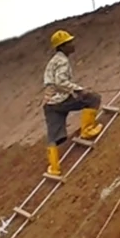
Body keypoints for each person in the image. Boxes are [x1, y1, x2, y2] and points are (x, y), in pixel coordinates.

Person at [42, 30, 103, 177]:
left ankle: (54, 168)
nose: (72, 44)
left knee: (53, 136)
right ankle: (87, 130)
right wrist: (79, 89)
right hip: (61, 99)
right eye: (69, 43)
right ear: (62, 46)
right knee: (93, 98)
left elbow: (52, 82)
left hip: (49, 103)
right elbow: (60, 81)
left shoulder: (53, 61)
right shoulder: (63, 61)